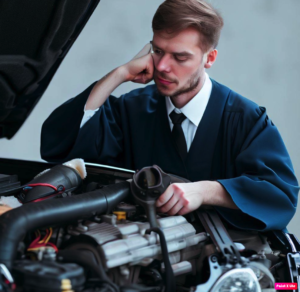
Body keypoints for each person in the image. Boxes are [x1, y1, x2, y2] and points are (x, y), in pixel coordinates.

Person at [41, 0, 299, 231]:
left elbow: (280, 195)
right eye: (158, 50)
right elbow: (66, 145)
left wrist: (205, 190)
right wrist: (120, 74)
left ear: (209, 58)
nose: (163, 66)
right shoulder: (133, 109)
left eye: (180, 57)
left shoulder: (246, 119)